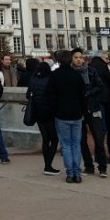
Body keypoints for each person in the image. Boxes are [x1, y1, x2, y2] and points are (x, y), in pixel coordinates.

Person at [48, 48, 86, 184]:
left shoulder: (55, 75)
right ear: (70, 60)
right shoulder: (76, 76)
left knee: (66, 144)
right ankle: (77, 172)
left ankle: (70, 173)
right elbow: (83, 96)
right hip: (76, 114)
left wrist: (53, 112)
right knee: (76, 144)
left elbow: (51, 97)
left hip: (61, 114)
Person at [71, 49, 107, 177]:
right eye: (76, 57)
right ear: (72, 59)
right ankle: (89, 166)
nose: (79, 60)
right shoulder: (70, 73)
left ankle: (102, 167)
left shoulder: (91, 71)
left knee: (98, 137)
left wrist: (88, 93)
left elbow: (100, 86)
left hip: (93, 107)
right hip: (78, 109)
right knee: (81, 140)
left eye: (80, 57)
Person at [27, 61, 59, 174]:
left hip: (37, 112)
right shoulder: (50, 79)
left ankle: (47, 165)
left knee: (45, 139)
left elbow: (28, 95)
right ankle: (48, 164)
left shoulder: (33, 79)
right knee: (54, 139)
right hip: (49, 112)